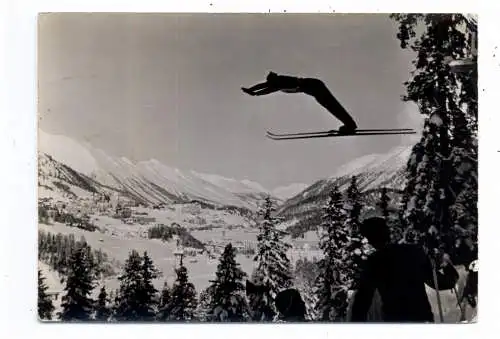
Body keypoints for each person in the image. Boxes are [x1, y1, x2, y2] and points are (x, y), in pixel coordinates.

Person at [350, 217, 459, 322]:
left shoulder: (374, 262)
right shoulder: (414, 252)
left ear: (370, 239)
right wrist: (446, 264)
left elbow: (362, 302)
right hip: (422, 319)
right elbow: (443, 282)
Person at [241, 72, 358, 134]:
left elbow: (267, 89)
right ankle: (350, 124)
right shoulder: (277, 82)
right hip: (313, 87)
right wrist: (251, 90)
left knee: (331, 105)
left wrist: (255, 93)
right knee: (330, 105)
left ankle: (350, 125)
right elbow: (264, 86)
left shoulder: (280, 81)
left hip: (314, 86)